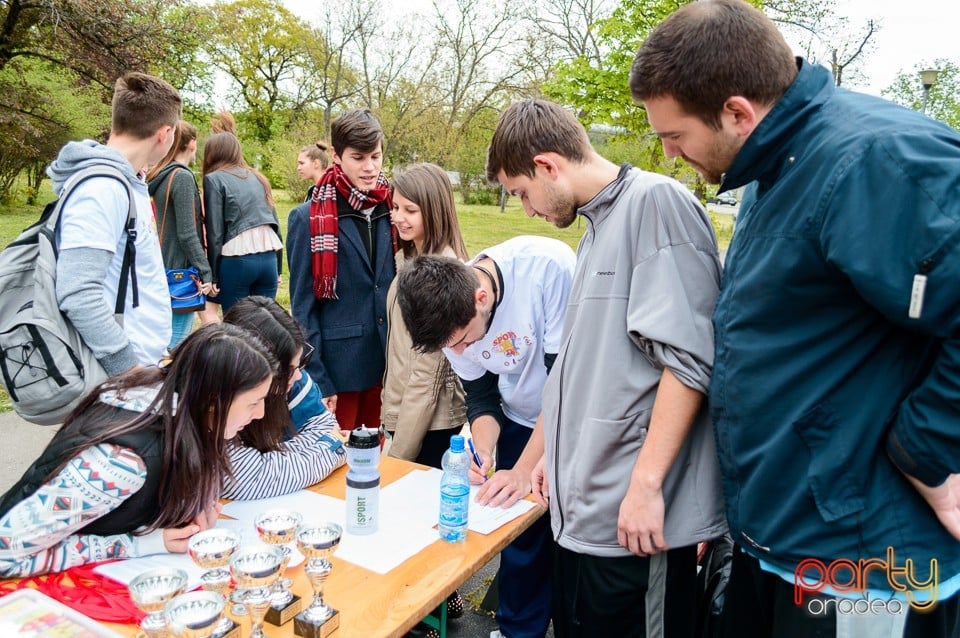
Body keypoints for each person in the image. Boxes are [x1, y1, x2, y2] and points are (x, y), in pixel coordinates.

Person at [629, 1, 960, 636]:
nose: (670, 155)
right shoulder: (773, 165)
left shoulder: (872, 161)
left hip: (864, 568)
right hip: (783, 540)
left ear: (736, 112)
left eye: (673, 136)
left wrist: (928, 449)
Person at [485, 99, 727, 637]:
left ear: (548, 165)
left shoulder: (656, 204)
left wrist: (646, 485)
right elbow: (582, 368)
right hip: (586, 516)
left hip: (635, 523)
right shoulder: (597, 225)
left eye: (522, 192)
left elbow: (689, 361)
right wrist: (550, 455)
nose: (526, 209)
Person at [396, 235, 575, 638]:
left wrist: (524, 469)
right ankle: (517, 631)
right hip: (517, 416)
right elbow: (482, 397)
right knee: (520, 535)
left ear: (481, 297)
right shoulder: (447, 322)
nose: (461, 349)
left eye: (464, 339)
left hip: (572, 413)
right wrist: (483, 448)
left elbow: (563, 386)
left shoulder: (545, 269)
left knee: (569, 538)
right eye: (451, 346)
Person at [0, 323, 277, 577]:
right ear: (214, 401)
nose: (261, 413)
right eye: (254, 402)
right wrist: (137, 545)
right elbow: (5, 553)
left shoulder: (177, 411)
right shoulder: (122, 463)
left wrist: (185, 510)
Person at [48, 71, 179, 376]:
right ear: (165, 134)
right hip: (117, 379)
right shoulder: (101, 190)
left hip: (140, 367)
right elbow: (78, 293)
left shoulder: (128, 182)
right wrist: (128, 368)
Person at [287, 108, 396, 431]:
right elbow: (302, 307)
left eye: (375, 156)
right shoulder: (307, 218)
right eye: (359, 157)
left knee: (382, 463)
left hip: (389, 364)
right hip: (339, 370)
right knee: (340, 466)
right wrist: (318, 375)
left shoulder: (393, 208)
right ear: (336, 155)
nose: (370, 167)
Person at [382, 163, 468, 467]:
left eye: (410, 210)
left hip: (427, 424)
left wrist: (397, 456)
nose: (398, 217)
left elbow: (427, 376)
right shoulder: (409, 258)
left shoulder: (440, 272)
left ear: (434, 210)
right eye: (394, 207)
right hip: (405, 413)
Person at [222, 296, 346, 500]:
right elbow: (246, 479)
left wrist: (270, 460)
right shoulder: (218, 400)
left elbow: (325, 427)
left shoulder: (294, 382)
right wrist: (333, 450)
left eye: (300, 364)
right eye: (286, 370)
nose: (298, 376)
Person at [147, 120, 212, 348]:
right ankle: (162, 382)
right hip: (180, 271)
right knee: (176, 340)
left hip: (165, 263)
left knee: (168, 335)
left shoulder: (164, 175)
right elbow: (187, 233)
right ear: (192, 144)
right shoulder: (182, 177)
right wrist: (205, 271)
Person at [202, 132, 283, 313]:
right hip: (269, 259)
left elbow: (215, 233)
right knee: (264, 325)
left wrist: (212, 276)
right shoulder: (258, 177)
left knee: (236, 328)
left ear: (211, 153)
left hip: (237, 260)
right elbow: (274, 223)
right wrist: (278, 269)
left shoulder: (214, 179)